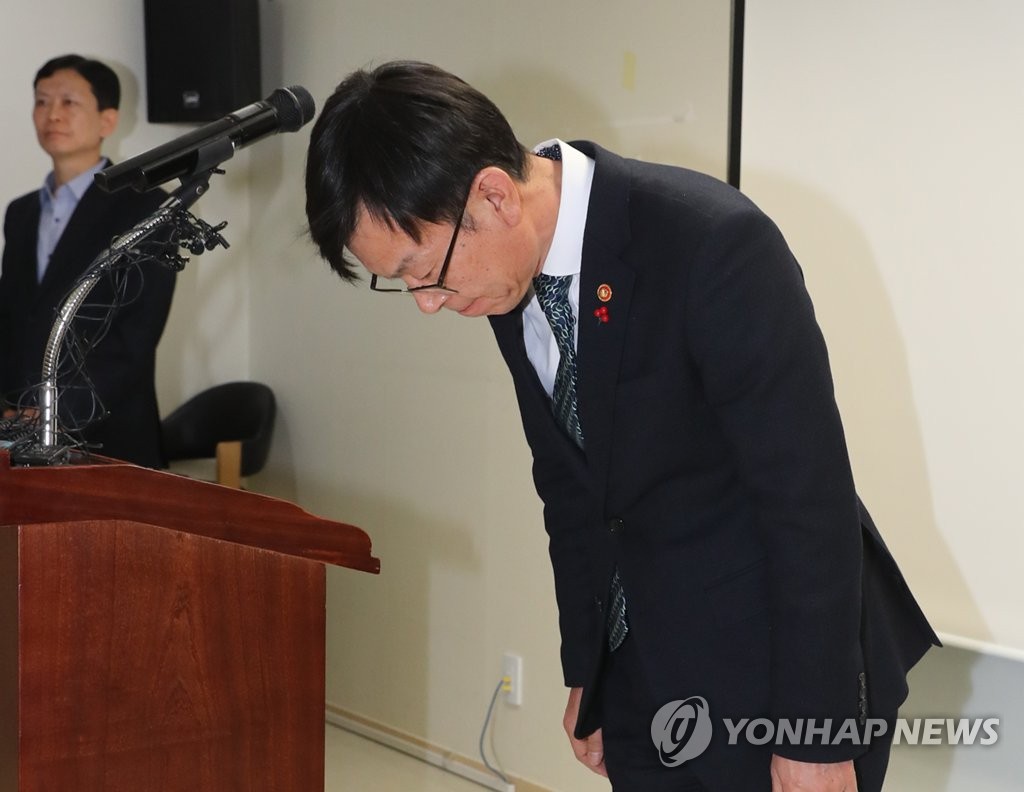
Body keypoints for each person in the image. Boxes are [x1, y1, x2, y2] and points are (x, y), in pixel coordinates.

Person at [304, 61, 939, 791]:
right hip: (647, 677)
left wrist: (814, 733)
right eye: (400, 281)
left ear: (494, 196)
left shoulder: (712, 243)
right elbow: (572, 489)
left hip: (778, 677)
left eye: (424, 270)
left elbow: (809, 505)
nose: (426, 301)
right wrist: (591, 669)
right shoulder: (505, 277)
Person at [0, 54, 176, 468]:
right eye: (42, 102)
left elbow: (135, 335)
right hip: (19, 433)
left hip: (107, 434)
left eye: (69, 102)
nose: (52, 115)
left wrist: (57, 411)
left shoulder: (147, 208)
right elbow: (13, 318)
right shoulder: (20, 213)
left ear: (107, 121)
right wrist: (11, 407)